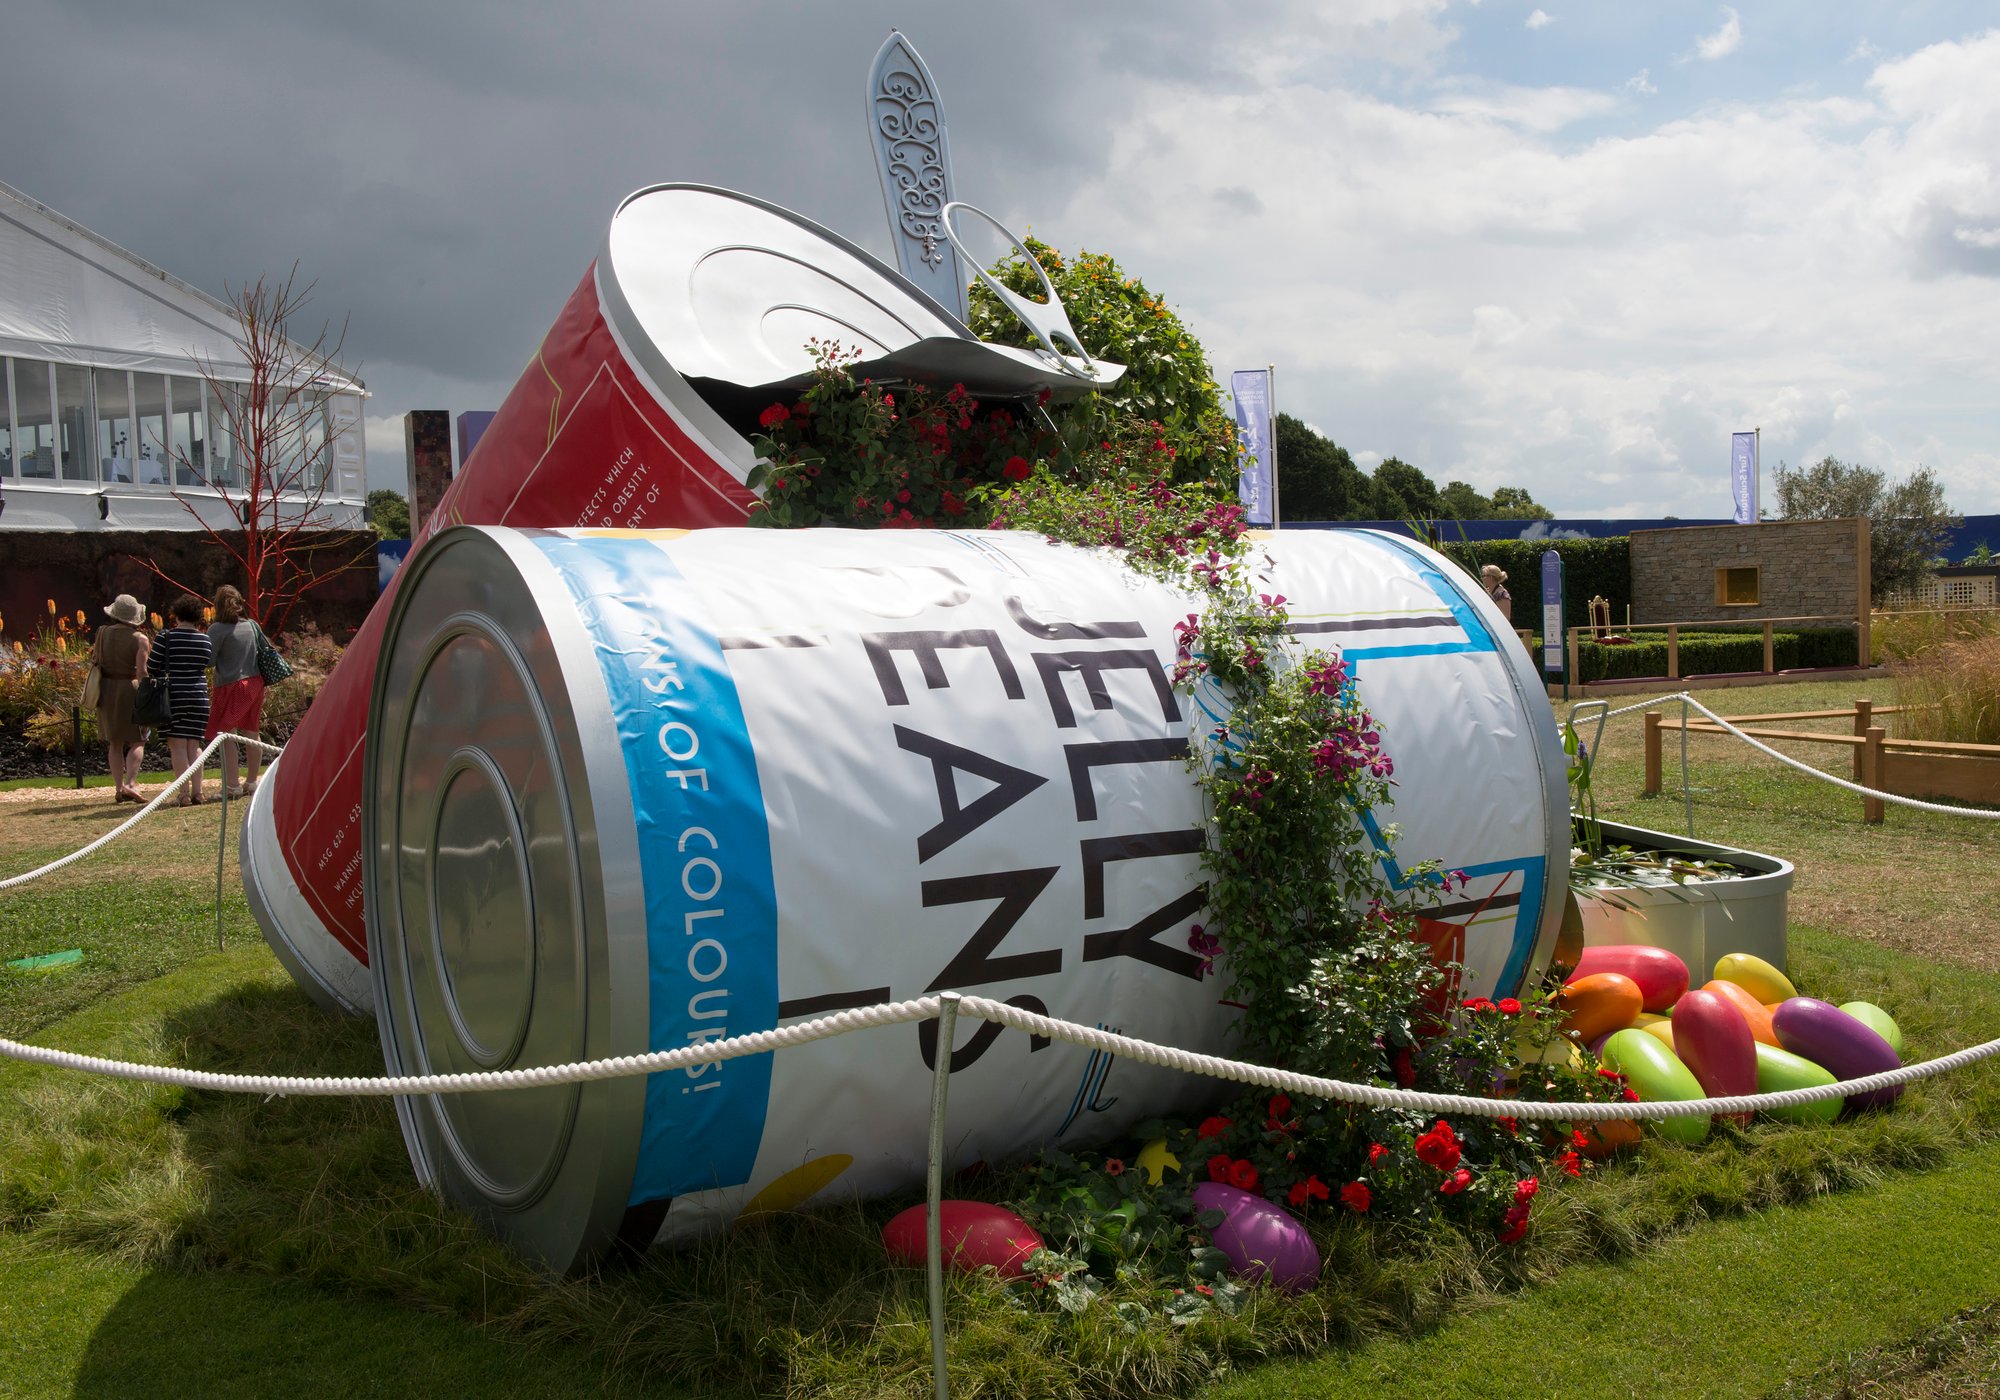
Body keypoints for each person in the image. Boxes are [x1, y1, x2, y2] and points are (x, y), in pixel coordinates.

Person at [148, 593, 214, 806]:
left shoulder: (165, 637)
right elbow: (205, 663)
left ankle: (183, 793)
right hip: (198, 695)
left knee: (177, 745)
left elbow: (152, 666)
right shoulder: (205, 639)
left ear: (176, 614)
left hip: (173, 695)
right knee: (194, 744)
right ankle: (198, 792)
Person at [206, 584, 267, 798]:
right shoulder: (252, 625)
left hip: (230, 684)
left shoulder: (217, 629)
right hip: (255, 683)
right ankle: (251, 781)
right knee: (252, 730)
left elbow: (210, 660)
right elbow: (264, 650)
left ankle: (231, 786)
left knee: (226, 735)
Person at [91, 593, 152, 803]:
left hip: (106, 689)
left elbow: (95, 659)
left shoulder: (101, 633)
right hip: (130, 688)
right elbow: (142, 672)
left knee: (114, 742)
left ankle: (118, 788)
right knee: (138, 738)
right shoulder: (140, 639)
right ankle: (131, 783)